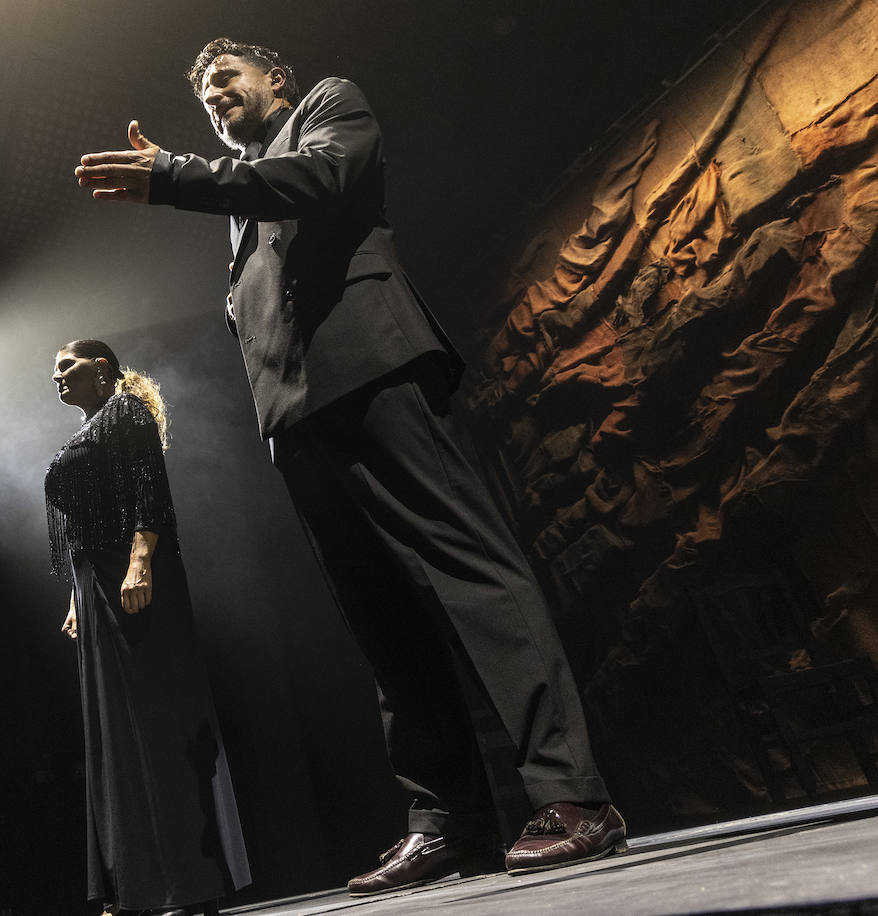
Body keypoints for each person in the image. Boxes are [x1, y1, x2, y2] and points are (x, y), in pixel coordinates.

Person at [73, 38, 626, 893]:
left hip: (371, 375)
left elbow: (319, 183)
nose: (216, 97)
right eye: (205, 93)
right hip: (295, 423)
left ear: (276, 80)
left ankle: (574, 798)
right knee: (381, 620)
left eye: (228, 79)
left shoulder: (330, 108)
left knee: (473, 578)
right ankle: (448, 823)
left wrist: (177, 173)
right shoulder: (238, 196)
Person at [44, 339, 251, 916]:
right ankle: (134, 887)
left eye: (67, 366)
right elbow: (82, 527)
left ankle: (186, 883)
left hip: (128, 574)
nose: (57, 378)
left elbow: (148, 490)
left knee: (156, 726)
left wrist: (141, 561)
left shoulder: (125, 413)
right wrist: (75, 597)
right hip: (94, 588)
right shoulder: (87, 430)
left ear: (101, 368)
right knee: (113, 739)